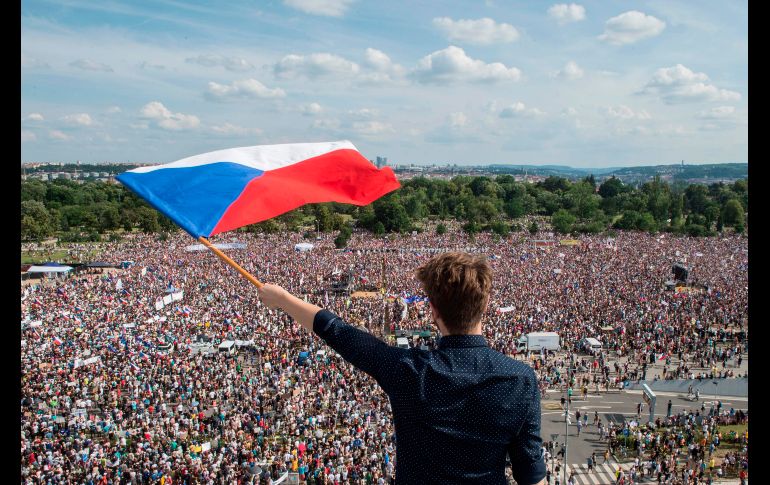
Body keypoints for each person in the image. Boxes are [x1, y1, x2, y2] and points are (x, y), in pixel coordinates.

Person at [258, 252, 547, 485]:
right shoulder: (520, 380)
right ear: (484, 305)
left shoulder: (410, 371)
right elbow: (531, 475)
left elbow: (340, 332)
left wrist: (283, 299)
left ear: (433, 309)